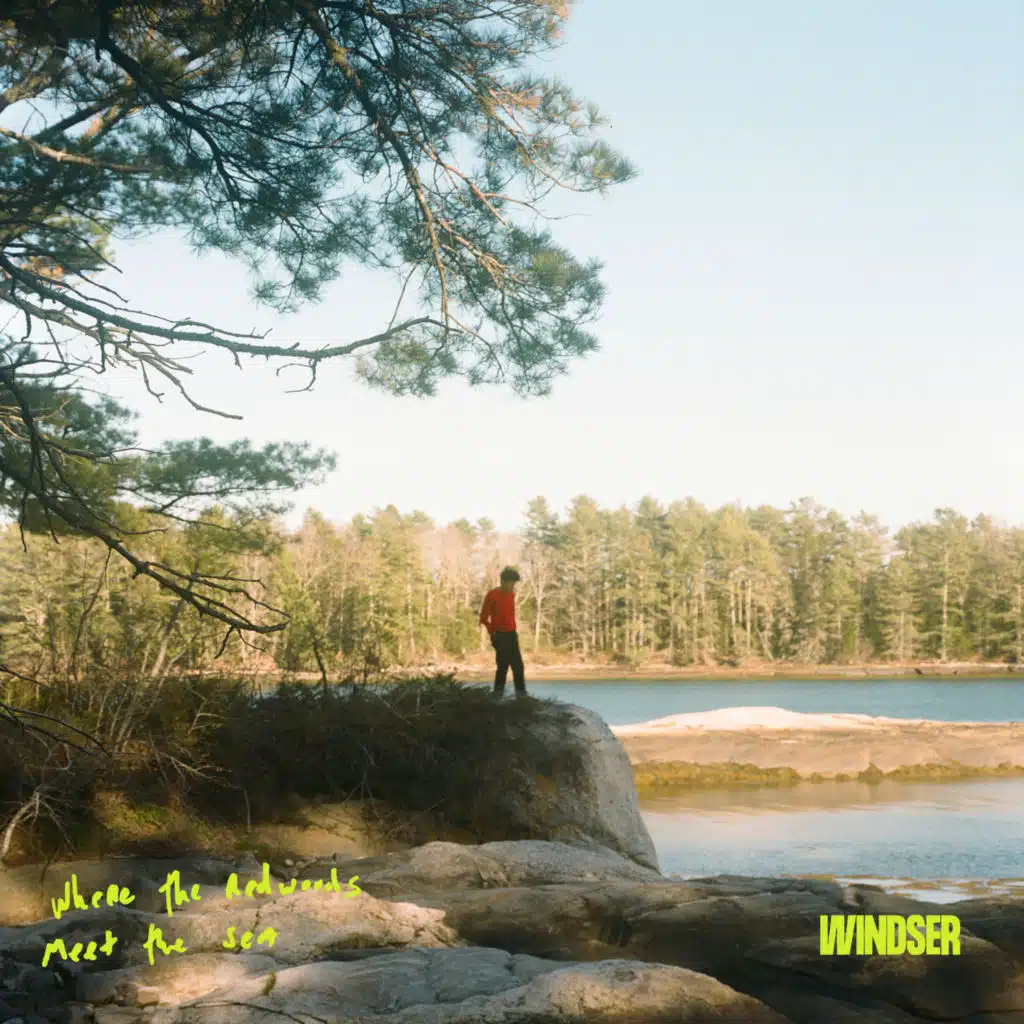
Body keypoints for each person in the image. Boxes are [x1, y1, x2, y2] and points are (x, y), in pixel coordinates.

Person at [479, 566, 527, 698]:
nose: (513, 587)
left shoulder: (511, 595)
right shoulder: (492, 595)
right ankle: (497, 695)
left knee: (518, 666)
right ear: (503, 581)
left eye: (514, 584)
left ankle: (521, 695)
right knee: (503, 666)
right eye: (511, 583)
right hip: (499, 635)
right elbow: (483, 618)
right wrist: (492, 632)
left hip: (512, 634)